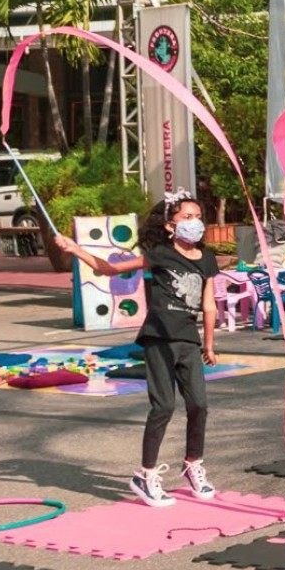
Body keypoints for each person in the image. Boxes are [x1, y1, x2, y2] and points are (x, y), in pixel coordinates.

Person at [53, 191, 220, 508]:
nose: (195, 223)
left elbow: (209, 305)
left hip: (188, 340)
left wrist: (210, 344)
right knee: (164, 407)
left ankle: (193, 464)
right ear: (171, 225)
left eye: (198, 217)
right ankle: (145, 475)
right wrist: (75, 249)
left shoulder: (207, 259)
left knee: (199, 404)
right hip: (158, 338)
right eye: (187, 217)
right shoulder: (158, 253)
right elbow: (107, 269)